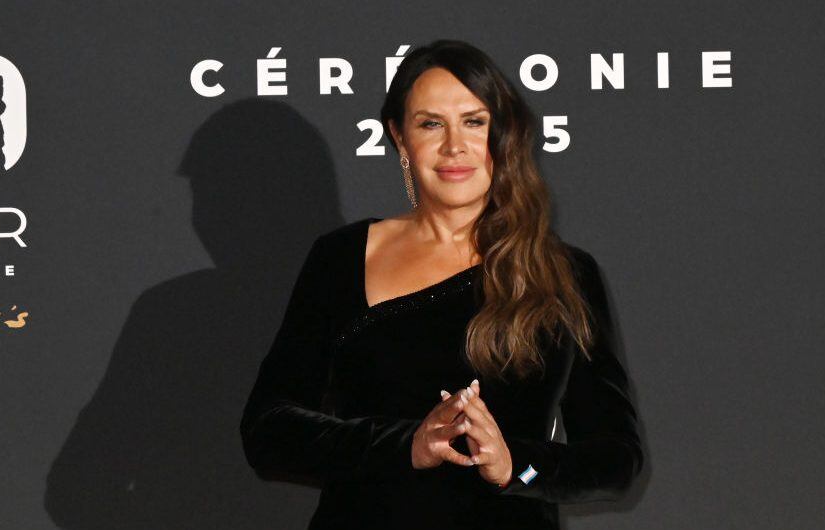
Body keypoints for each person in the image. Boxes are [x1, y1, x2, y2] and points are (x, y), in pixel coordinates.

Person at [239, 39, 643, 530]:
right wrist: (406, 445)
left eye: (474, 122)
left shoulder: (563, 272)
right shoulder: (340, 258)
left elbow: (616, 459)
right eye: (431, 124)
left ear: (503, 134)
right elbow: (269, 429)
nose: (455, 146)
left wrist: (516, 467)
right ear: (399, 137)